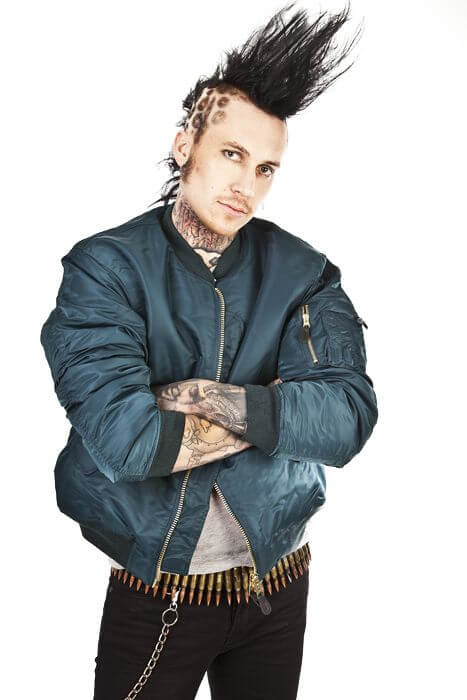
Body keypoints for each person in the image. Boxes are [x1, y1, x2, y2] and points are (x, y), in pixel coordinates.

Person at [40, 2, 378, 698]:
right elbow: (128, 441)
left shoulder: (304, 272)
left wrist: (191, 397)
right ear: (183, 145)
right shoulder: (106, 269)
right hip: (158, 587)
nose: (246, 187)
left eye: (266, 168)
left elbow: (346, 420)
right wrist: (278, 411)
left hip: (277, 581)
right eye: (231, 155)